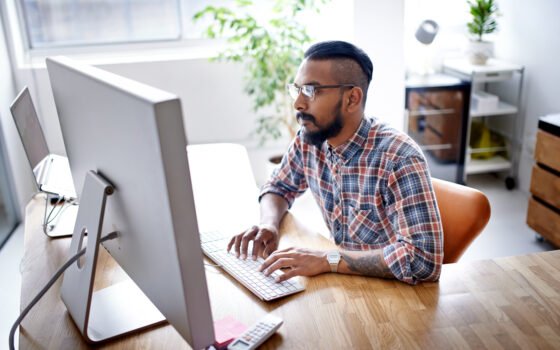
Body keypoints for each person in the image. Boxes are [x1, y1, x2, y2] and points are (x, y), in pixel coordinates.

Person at [228, 41, 443, 285]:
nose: (297, 103)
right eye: (296, 89)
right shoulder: (310, 139)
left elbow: (423, 261)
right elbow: (278, 187)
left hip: (394, 297)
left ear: (352, 98)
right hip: (345, 286)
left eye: (311, 90)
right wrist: (268, 224)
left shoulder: (398, 159)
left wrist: (327, 260)